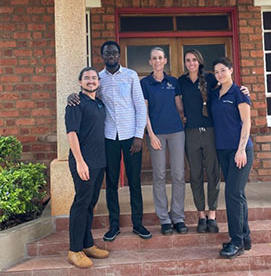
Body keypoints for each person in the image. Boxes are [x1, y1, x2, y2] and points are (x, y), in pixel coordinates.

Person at [97, 41, 151, 241]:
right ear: (102, 56)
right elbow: (89, 97)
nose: (111, 55)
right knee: (111, 182)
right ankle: (114, 226)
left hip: (130, 137)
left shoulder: (130, 76)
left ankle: (138, 224)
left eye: (114, 52)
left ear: (119, 55)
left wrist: (139, 135)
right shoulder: (98, 78)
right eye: (107, 53)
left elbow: (140, 106)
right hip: (109, 136)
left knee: (134, 181)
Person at [64, 67, 109, 269]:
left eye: (94, 78)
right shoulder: (75, 104)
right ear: (80, 82)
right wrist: (80, 161)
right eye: (87, 78)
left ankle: (87, 244)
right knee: (81, 204)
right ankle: (74, 250)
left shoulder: (99, 103)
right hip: (83, 162)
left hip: (99, 162)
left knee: (90, 203)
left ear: (98, 82)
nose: (91, 81)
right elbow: (72, 134)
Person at [140, 47, 187, 236]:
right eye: (154, 58)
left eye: (160, 58)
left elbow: (180, 107)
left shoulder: (173, 81)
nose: (158, 61)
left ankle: (178, 217)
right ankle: (164, 219)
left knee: (178, 174)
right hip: (157, 134)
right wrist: (150, 135)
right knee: (159, 175)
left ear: (165, 60)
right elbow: (144, 111)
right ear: (150, 62)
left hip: (176, 132)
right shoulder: (145, 83)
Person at [210, 57, 253, 258]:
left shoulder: (239, 94)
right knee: (239, 194)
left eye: (223, 70)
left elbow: (246, 122)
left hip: (240, 151)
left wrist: (241, 149)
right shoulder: (215, 94)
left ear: (231, 70)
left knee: (232, 194)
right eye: (216, 72)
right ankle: (245, 237)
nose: (220, 74)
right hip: (223, 150)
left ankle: (236, 242)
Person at [179, 49, 220, 234]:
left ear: (200, 61)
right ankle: (201, 215)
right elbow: (177, 101)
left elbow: (227, 87)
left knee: (212, 173)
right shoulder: (182, 81)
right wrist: (182, 115)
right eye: (188, 60)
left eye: (194, 60)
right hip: (191, 132)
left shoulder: (211, 79)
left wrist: (244, 89)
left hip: (210, 130)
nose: (191, 63)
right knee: (195, 174)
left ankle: (212, 214)